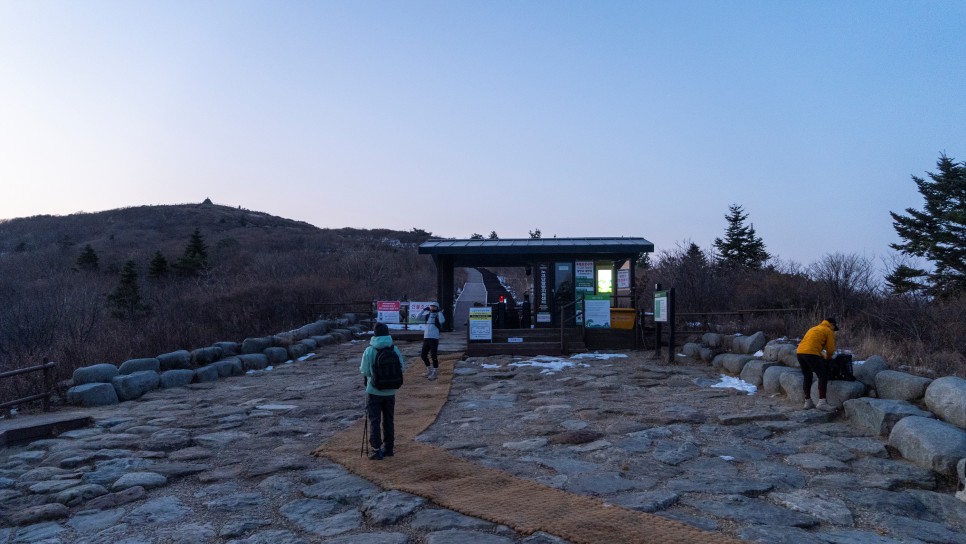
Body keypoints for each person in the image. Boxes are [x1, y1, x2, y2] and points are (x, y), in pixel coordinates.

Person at [360, 323, 405, 460]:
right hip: (390, 391)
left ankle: (376, 450)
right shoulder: (394, 349)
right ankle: (389, 449)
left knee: (375, 420)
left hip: (374, 391)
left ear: (374, 334)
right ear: (387, 334)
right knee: (389, 420)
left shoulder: (369, 350)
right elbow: (401, 368)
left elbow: (365, 371)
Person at [797, 317, 839, 412]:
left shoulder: (813, 328)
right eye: (834, 328)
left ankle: (807, 402)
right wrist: (828, 358)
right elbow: (831, 349)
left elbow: (810, 344)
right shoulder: (828, 330)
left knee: (807, 376)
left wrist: (820, 355)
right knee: (823, 376)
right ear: (832, 324)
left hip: (800, 352)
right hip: (811, 354)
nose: (834, 330)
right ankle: (822, 403)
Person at [418, 302, 446, 380]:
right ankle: (429, 369)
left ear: (437, 308)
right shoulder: (427, 315)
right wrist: (423, 310)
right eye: (431, 306)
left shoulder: (438, 315)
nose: (432, 308)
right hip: (426, 337)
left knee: (433, 355)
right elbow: (418, 317)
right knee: (423, 355)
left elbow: (442, 321)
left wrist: (439, 312)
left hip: (434, 338)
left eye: (434, 307)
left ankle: (435, 372)